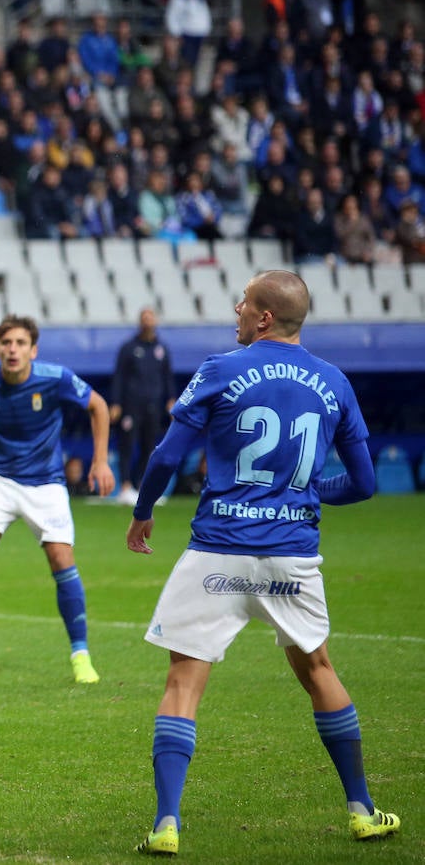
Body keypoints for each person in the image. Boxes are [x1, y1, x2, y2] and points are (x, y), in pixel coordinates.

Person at [126, 270, 399, 855]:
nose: (237, 307)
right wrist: (302, 491)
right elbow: (366, 482)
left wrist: (143, 510)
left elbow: (166, 454)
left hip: (216, 553)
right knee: (319, 671)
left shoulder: (222, 367)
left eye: (244, 301)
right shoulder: (335, 382)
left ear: (264, 317)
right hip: (290, 558)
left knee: (182, 681)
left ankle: (167, 824)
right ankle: (363, 810)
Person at [0, 315, 114, 684]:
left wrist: (100, 460)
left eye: (20, 343)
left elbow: (99, 406)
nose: (13, 350)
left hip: (45, 484)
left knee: (62, 559)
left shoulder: (55, 378)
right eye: (6, 343)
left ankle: (80, 655)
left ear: (33, 349)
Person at [112, 308, 174, 506]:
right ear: (140, 321)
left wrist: (171, 399)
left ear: (156, 320)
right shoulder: (129, 347)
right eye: (144, 317)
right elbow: (119, 377)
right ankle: (124, 486)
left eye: (151, 317)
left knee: (149, 446)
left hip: (153, 405)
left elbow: (167, 377)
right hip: (131, 405)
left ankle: (141, 487)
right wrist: (116, 403)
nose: (148, 321)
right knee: (127, 444)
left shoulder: (161, 349)